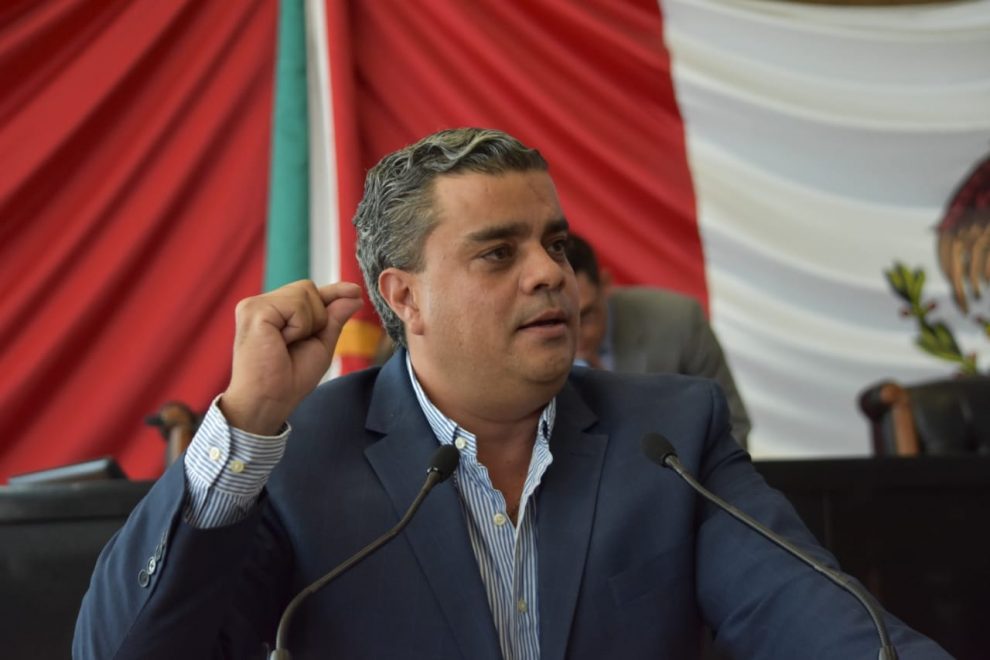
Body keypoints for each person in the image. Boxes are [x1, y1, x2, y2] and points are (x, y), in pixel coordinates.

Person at [74, 128, 947, 659]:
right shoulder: (302, 457)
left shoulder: (669, 435)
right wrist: (247, 423)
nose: (550, 274)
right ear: (405, 298)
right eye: (499, 253)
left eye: (554, 244)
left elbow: (820, 624)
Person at [565, 233, 752, 447]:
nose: (576, 333)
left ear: (606, 284)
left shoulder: (679, 321)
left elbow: (731, 425)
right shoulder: (536, 347)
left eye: (587, 314)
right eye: (563, 319)